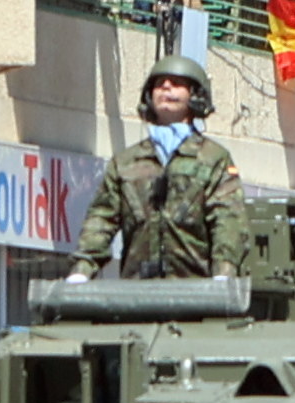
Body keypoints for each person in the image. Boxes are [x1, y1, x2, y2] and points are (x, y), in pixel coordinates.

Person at [74, 66, 238, 281]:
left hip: (194, 288)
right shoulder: (126, 162)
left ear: (196, 95)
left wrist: (224, 273)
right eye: (159, 84)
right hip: (138, 290)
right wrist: (82, 270)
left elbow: (227, 220)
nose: (166, 87)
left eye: (176, 83)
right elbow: (102, 219)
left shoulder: (213, 159)